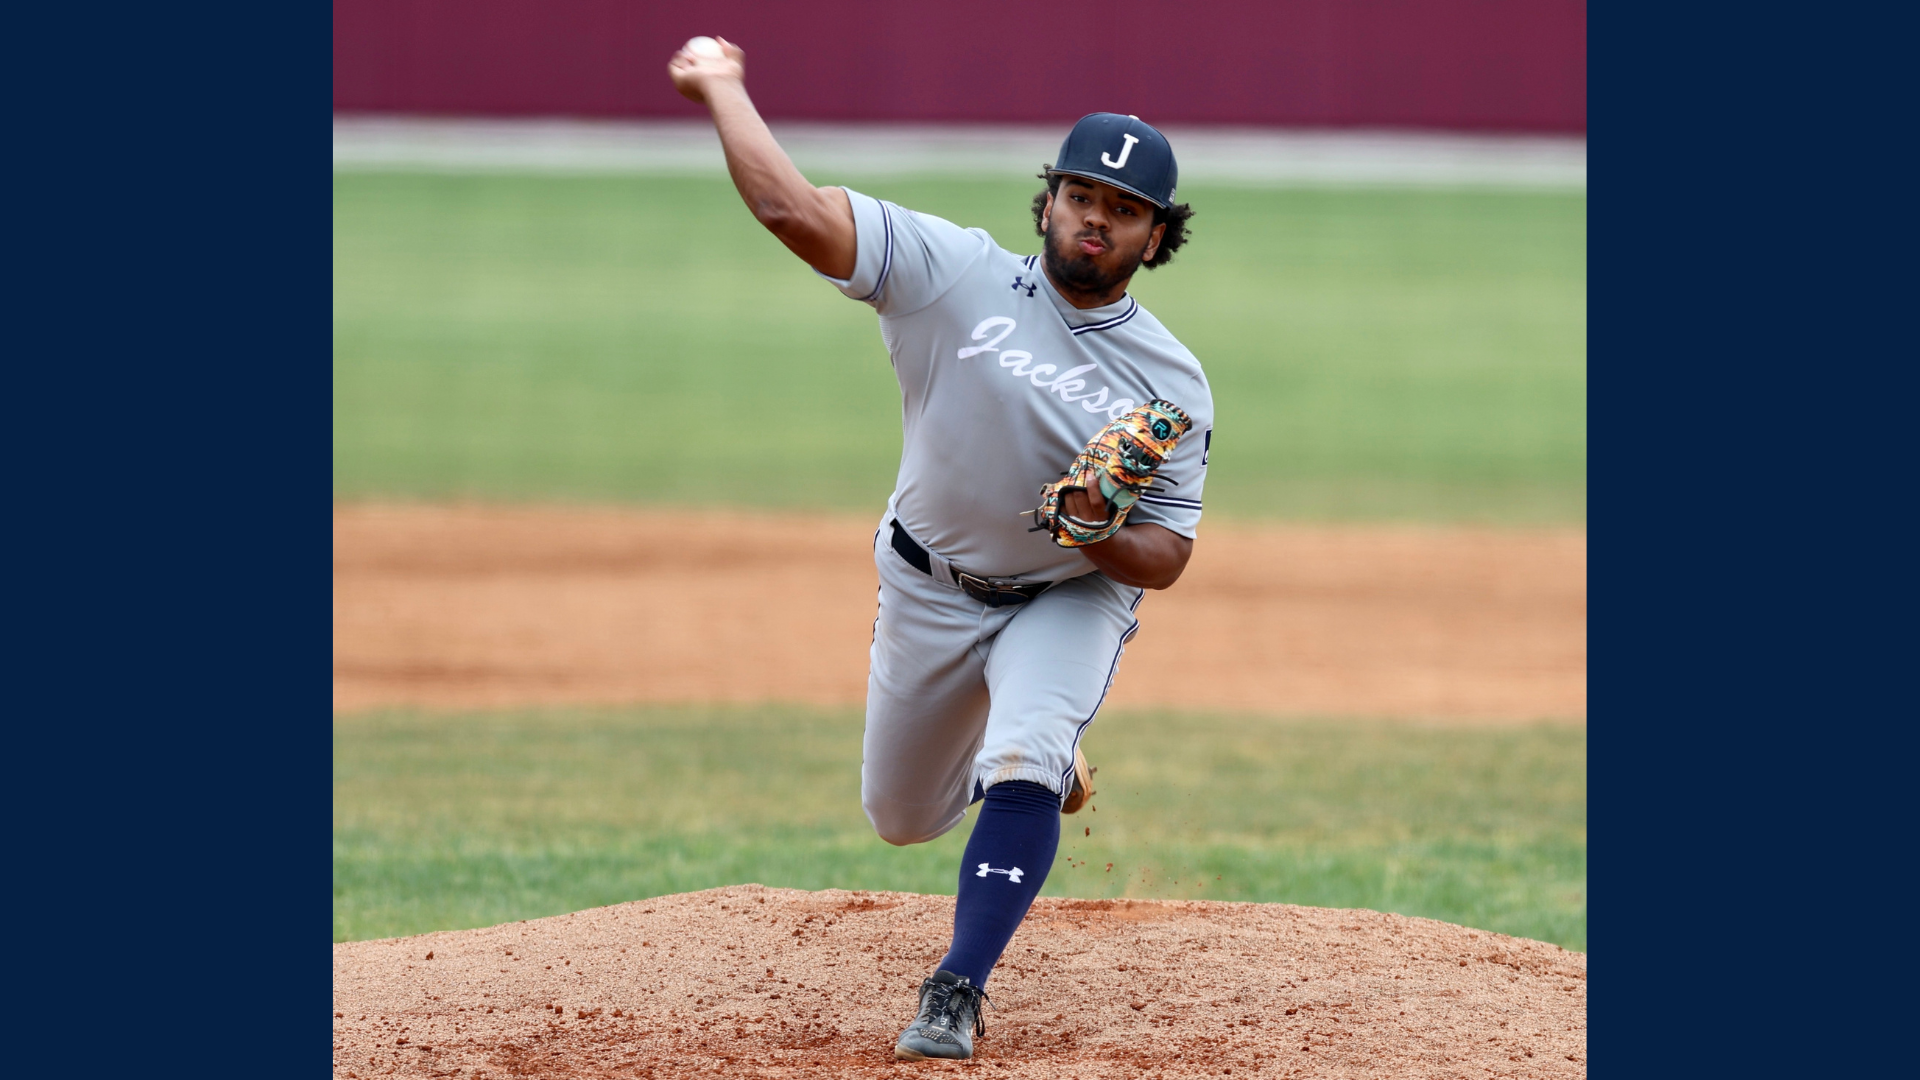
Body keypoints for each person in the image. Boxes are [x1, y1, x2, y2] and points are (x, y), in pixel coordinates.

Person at [669, 39, 1212, 1061]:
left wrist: (1101, 534)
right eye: (1082, 193)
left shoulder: (1172, 383)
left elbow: (1168, 554)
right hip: (929, 584)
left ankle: (956, 988)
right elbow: (794, 212)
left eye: (1125, 208)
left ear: (1155, 235)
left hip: (1067, 596)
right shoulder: (948, 272)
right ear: (1047, 200)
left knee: (1022, 753)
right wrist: (723, 87)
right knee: (902, 816)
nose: (1098, 217)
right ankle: (1035, 757)